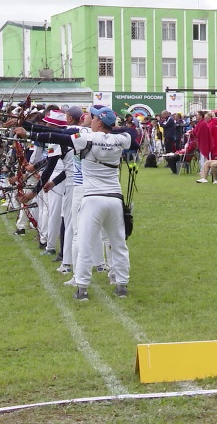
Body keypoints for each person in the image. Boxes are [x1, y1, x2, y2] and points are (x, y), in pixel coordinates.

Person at [14, 106, 132, 300]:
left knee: (85, 243)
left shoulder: (87, 139)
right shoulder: (122, 139)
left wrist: (29, 133)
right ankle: (122, 286)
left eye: (93, 119)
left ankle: (82, 288)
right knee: (118, 243)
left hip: (93, 198)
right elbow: (128, 135)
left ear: (99, 123)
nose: (90, 121)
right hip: (115, 199)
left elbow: (58, 137)